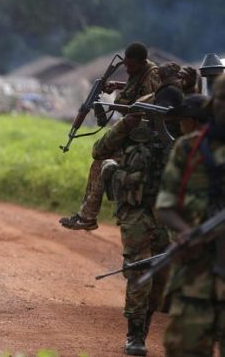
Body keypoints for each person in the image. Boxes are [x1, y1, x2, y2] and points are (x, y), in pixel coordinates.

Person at [96, 86, 183, 355]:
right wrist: (124, 125)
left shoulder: (187, 136)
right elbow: (99, 150)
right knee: (139, 271)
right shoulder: (134, 129)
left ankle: (143, 326)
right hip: (135, 211)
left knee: (161, 278)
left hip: (167, 216)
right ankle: (135, 336)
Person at [155, 74, 225, 356]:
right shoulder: (189, 148)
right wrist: (186, 233)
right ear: (212, 102)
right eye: (222, 100)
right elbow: (166, 206)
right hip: (196, 276)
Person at [60, 42, 161, 231]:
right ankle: (86, 215)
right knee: (98, 162)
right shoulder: (138, 73)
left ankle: (87, 216)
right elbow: (136, 89)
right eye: (126, 64)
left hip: (141, 135)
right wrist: (118, 85)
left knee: (103, 160)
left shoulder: (152, 74)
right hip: (129, 131)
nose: (127, 68)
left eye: (130, 65)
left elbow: (150, 102)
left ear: (141, 62)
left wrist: (116, 107)